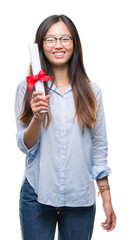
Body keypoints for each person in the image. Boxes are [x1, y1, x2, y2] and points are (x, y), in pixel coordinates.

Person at [15, 14, 116, 240]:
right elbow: (26, 146)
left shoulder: (91, 92)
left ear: (74, 44)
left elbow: (99, 147)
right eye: (50, 39)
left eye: (65, 38)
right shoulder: (28, 88)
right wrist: (37, 118)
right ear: (41, 45)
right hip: (37, 194)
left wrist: (106, 197)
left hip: (79, 196)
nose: (58, 45)